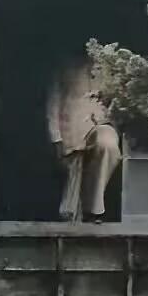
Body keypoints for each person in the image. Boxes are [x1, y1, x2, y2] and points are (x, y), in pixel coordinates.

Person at [47, 50, 121, 223]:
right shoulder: (66, 66)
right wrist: (56, 137)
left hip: (101, 126)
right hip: (72, 133)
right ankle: (73, 217)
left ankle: (94, 209)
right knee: (72, 187)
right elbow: (53, 102)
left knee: (107, 144)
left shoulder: (111, 68)